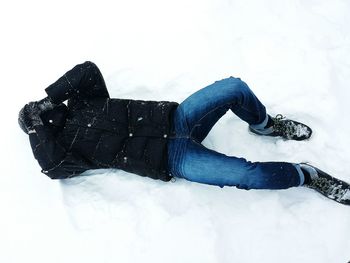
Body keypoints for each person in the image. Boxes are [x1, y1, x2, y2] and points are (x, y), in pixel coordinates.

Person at [18, 61, 350, 205]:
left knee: (233, 87)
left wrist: (49, 96)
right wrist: (35, 130)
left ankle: (264, 125)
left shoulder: (83, 101)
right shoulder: (65, 152)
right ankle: (306, 175)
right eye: (40, 121)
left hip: (177, 119)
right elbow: (52, 169)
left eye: (44, 111)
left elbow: (86, 70)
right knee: (247, 175)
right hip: (174, 159)